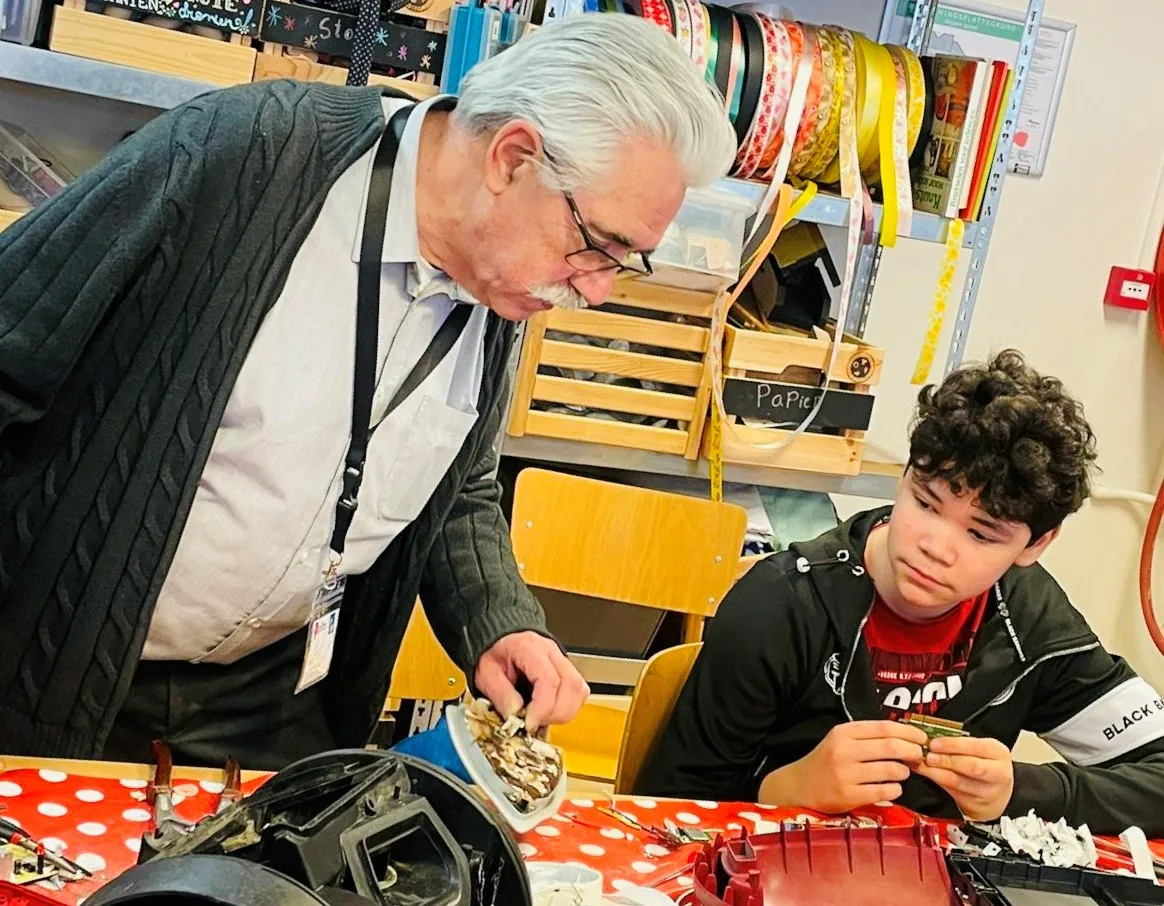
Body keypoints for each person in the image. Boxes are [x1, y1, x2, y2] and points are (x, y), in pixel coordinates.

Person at [0, 16, 737, 768]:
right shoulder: (243, 156)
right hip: (60, 677)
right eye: (599, 244)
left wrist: (500, 621)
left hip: (277, 703)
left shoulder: (504, 275)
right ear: (512, 159)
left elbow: (456, 484)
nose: (599, 288)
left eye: (627, 260)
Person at [638, 350, 1164, 835]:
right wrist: (787, 791)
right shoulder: (780, 605)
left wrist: (1023, 790)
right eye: (926, 502)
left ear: (1036, 544)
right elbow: (663, 817)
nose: (935, 546)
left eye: (981, 534)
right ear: (906, 475)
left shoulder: (1029, 620)